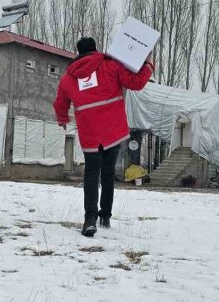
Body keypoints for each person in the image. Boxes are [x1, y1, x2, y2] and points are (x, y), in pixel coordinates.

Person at [54, 37, 154, 237]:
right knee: (107, 174)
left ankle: (90, 219)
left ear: (78, 53)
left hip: (89, 132)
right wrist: (148, 65)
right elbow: (135, 82)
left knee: (91, 173)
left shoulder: (67, 78)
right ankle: (105, 216)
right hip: (113, 130)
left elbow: (60, 103)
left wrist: (63, 119)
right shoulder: (110, 65)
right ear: (94, 49)